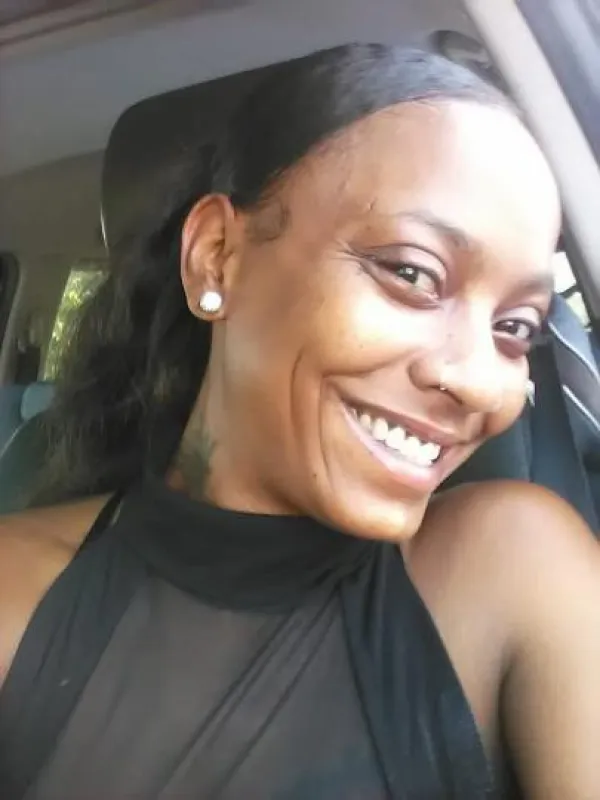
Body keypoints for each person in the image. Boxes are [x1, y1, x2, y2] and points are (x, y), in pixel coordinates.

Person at [0, 43, 599, 800]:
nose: (481, 382)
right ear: (217, 257)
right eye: (412, 273)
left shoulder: (516, 567)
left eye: (515, 328)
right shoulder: (15, 595)